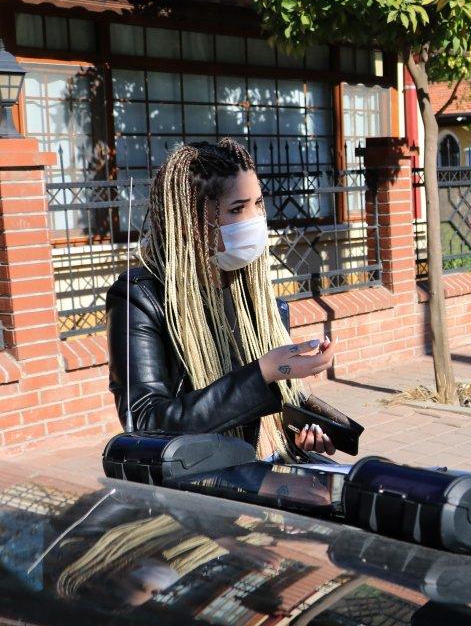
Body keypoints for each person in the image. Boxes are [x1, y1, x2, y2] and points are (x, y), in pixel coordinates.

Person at [107, 139, 337, 459]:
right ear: (191, 220)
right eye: (236, 208)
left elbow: (262, 415)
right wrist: (263, 373)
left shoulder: (259, 300)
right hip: (193, 493)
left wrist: (298, 432)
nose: (255, 218)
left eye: (257, 203)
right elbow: (145, 422)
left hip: (259, 480)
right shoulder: (140, 299)